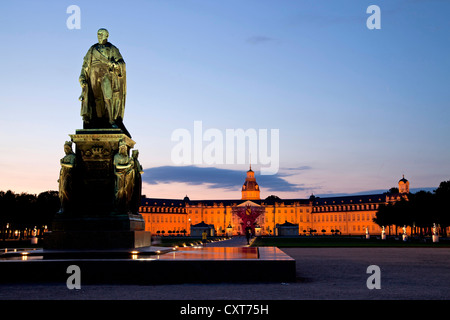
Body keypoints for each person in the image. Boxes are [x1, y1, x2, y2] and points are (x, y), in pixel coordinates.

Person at [79, 28, 127, 133]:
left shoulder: (112, 49)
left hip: (106, 73)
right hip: (93, 74)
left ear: (107, 35)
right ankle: (96, 120)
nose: (99, 36)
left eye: (101, 34)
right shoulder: (92, 49)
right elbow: (85, 65)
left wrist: (114, 64)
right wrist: (82, 77)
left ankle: (111, 120)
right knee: (96, 98)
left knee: (107, 96)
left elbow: (122, 63)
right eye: (98, 34)